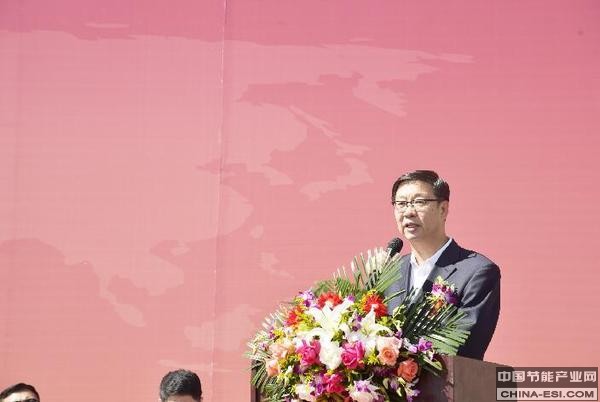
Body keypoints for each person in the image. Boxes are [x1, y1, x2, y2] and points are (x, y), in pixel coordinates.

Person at [385, 170, 500, 360]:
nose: (409, 212)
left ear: (443, 209)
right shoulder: (389, 272)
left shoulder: (477, 272)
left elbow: (465, 348)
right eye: (401, 204)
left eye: (419, 202)